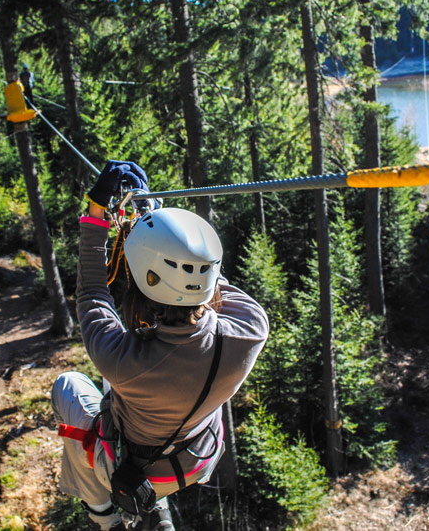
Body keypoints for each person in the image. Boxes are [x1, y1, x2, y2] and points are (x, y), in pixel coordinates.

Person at [50, 161, 269, 530]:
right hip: (198, 458)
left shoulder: (122, 359)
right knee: (116, 390)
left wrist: (96, 213)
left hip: (138, 465)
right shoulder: (249, 330)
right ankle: (157, 507)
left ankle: (104, 517)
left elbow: (91, 294)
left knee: (68, 386)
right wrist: (157, 227)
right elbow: (208, 282)